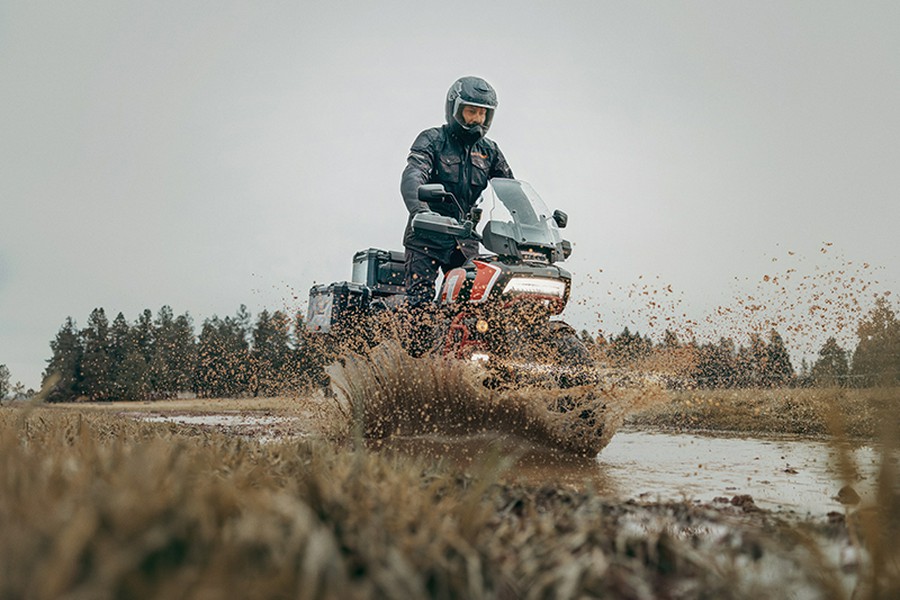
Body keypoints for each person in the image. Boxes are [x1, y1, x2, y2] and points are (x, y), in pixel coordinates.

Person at [400, 76, 514, 316]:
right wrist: (420, 211)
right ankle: (401, 336)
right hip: (427, 237)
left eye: (483, 114)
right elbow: (413, 174)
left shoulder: (490, 151)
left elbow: (510, 188)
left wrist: (529, 224)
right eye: (471, 112)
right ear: (454, 109)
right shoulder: (432, 140)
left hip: (465, 241)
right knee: (419, 311)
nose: (477, 120)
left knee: (475, 306)